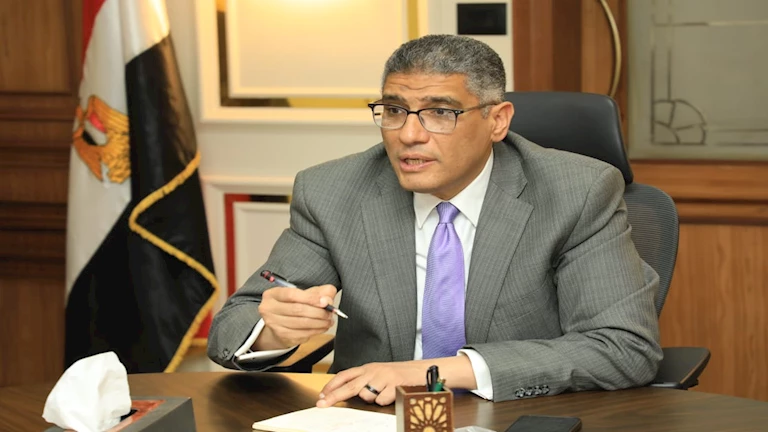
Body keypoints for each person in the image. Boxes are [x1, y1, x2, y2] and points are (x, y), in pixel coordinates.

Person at [207, 34, 661, 407]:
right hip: (373, 419)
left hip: (515, 412)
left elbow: (622, 347)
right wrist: (273, 330)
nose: (409, 135)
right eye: (394, 111)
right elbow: (231, 330)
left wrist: (432, 372)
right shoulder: (333, 191)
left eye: (440, 113)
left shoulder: (576, 193)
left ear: (497, 121)